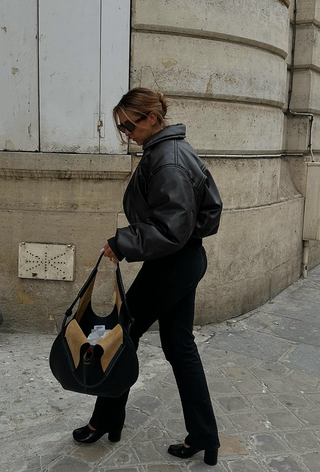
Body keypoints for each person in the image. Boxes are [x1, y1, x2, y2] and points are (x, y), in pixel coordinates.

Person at [73, 88, 222, 466]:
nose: (125, 133)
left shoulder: (168, 158)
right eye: (121, 126)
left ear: (153, 117)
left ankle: (104, 420)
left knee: (120, 337)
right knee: (178, 345)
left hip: (173, 263)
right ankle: (204, 436)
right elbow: (197, 216)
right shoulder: (166, 152)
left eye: (129, 124)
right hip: (180, 261)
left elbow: (172, 226)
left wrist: (122, 242)